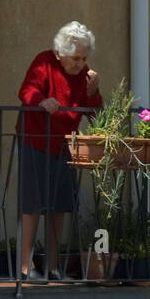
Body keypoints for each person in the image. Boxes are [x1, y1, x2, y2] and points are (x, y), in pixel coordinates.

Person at [17, 21, 103, 280]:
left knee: (59, 206)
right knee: (32, 204)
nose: (80, 64)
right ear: (60, 54)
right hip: (35, 140)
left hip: (65, 144)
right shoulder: (44, 62)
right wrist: (41, 101)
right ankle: (25, 266)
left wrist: (93, 91)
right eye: (75, 58)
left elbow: (94, 112)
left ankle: (53, 267)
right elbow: (26, 91)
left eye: (84, 58)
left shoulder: (84, 73)